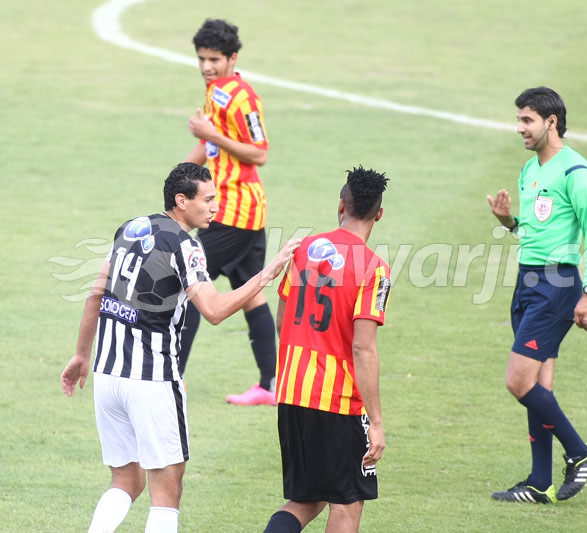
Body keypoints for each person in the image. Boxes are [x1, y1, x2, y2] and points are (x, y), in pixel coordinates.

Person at [60, 163, 298, 533]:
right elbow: (214, 310)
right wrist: (266, 275)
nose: (216, 206)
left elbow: (96, 294)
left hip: (107, 376)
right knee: (166, 494)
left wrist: (81, 355)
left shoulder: (131, 228)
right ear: (181, 200)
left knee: (126, 481)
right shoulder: (187, 246)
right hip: (152, 380)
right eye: (208, 199)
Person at [487, 87, 587, 504]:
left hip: (558, 287)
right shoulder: (529, 170)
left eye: (526, 120)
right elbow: (535, 231)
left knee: (518, 381)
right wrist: (508, 222)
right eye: (518, 120)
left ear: (551, 122)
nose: (519, 128)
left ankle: (579, 451)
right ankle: (540, 482)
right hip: (528, 282)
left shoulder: (575, 171)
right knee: (539, 384)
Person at [263, 166, 391, 533]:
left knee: (306, 499)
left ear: (341, 205)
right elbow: (363, 348)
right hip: (337, 401)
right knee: (347, 503)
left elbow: (281, 321)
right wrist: (377, 424)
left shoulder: (303, 250)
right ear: (379, 214)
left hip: (291, 392)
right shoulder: (374, 268)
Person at [180, 18, 279, 406]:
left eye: (215, 59)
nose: (207, 66)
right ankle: (269, 386)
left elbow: (260, 152)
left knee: (189, 290)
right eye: (202, 58)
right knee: (252, 295)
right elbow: (211, 149)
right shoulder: (214, 90)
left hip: (233, 213)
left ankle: (173, 377)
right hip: (238, 211)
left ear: (232, 58)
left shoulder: (243, 98)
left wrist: (211, 134)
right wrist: (178, 177)